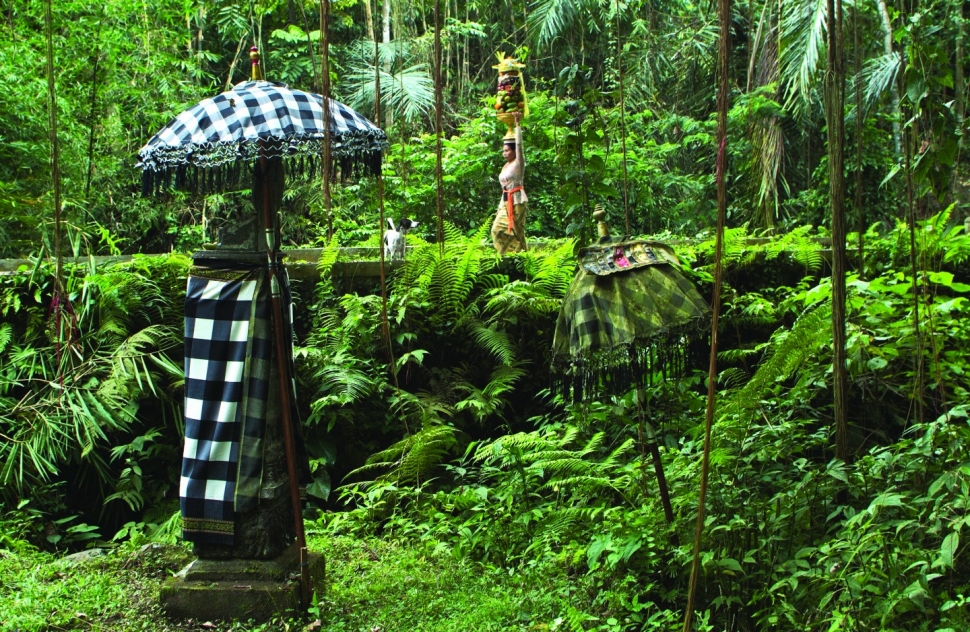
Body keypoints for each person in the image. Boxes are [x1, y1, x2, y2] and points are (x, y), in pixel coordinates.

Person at [491, 112, 528, 255]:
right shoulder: (505, 167)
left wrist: (517, 125)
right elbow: (504, 190)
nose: (504, 153)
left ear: (513, 151)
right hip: (506, 201)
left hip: (518, 200)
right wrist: (500, 207)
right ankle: (508, 255)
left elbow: (519, 145)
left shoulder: (519, 163)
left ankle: (522, 257)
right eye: (503, 151)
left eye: (507, 151)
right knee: (497, 229)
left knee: (518, 231)